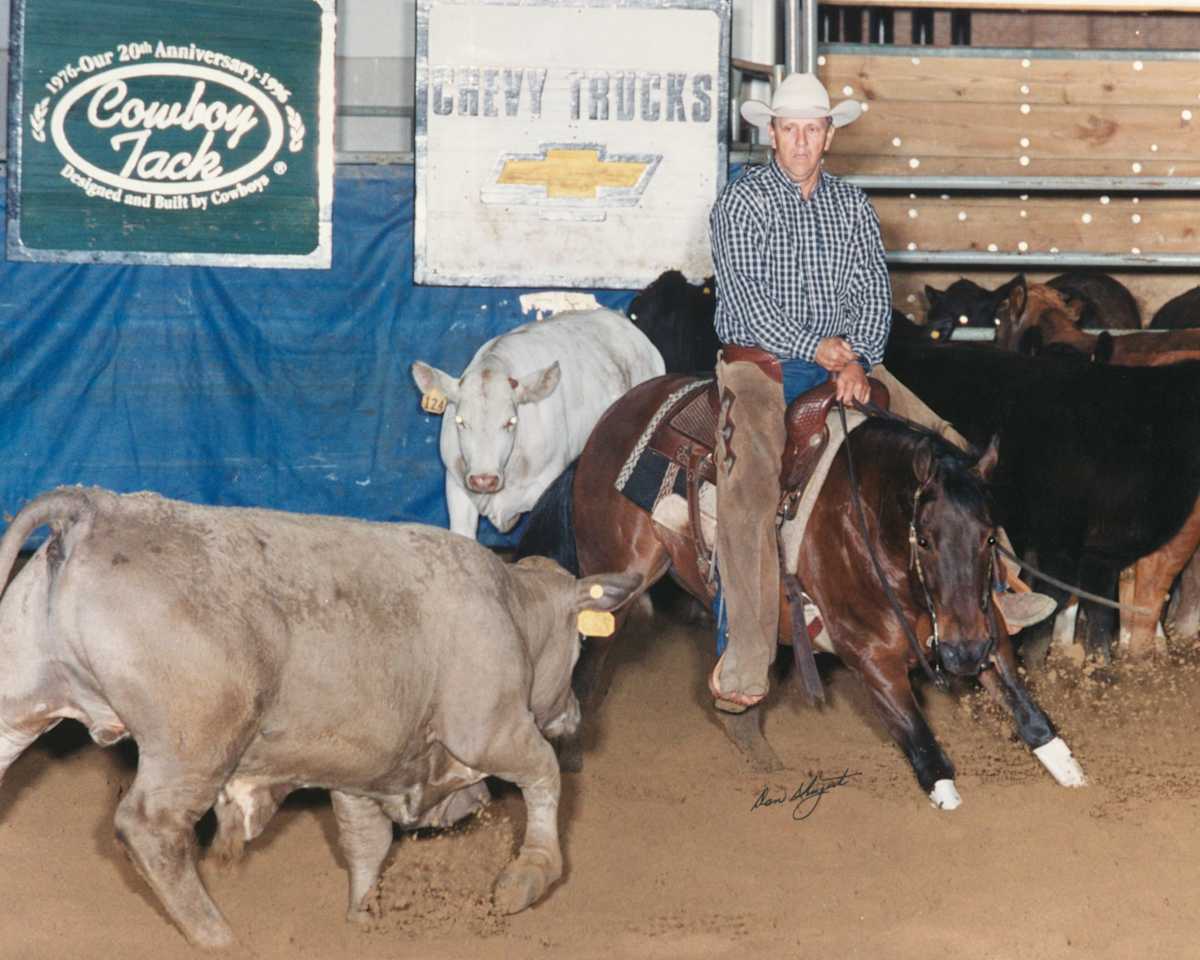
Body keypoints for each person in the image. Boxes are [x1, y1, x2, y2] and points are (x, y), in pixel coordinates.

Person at [707, 73, 1054, 712]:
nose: (802, 141)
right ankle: (749, 654)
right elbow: (746, 300)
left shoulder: (852, 205)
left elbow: (874, 293)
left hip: (848, 361)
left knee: (951, 451)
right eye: (791, 129)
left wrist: (858, 359)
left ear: (829, 135)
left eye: (814, 129)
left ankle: (1002, 586)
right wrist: (818, 348)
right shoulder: (742, 203)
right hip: (761, 367)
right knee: (749, 487)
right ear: (771, 134)